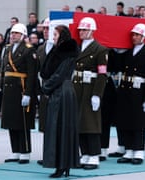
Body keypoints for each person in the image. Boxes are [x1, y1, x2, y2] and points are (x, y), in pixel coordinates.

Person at [115, 23, 145, 165]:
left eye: (137, 35)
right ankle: (128, 150)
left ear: (144, 36)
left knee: (138, 122)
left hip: (140, 91)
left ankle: (138, 151)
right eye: (133, 35)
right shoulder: (128, 52)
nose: (134, 37)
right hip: (126, 89)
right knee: (126, 120)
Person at [40, 24, 79, 178]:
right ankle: (63, 164)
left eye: (55, 34)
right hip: (62, 90)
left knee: (59, 128)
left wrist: (45, 88)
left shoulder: (67, 53)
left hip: (61, 91)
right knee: (61, 128)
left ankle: (62, 165)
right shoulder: (60, 52)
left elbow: (59, 75)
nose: (53, 37)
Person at [73, 17, 108, 170]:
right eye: (80, 30)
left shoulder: (100, 49)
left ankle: (94, 155)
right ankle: (85, 153)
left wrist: (97, 95)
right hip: (77, 88)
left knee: (91, 123)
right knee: (79, 123)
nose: (82, 32)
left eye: (85, 30)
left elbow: (102, 74)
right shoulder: (77, 48)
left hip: (90, 88)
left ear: (92, 31)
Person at [0, 23, 37, 164]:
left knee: (22, 122)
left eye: (16, 33)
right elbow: (3, 69)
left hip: (21, 88)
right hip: (9, 89)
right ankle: (15, 150)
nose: (13, 35)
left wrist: (28, 93)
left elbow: (32, 74)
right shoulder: (8, 49)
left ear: (22, 35)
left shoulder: (29, 50)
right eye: (12, 33)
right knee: (10, 121)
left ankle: (25, 151)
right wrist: (0, 86)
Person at [36, 17, 53, 165]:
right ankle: (47, 155)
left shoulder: (60, 48)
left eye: (48, 28)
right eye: (45, 29)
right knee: (46, 124)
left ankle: (57, 155)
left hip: (57, 89)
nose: (46, 31)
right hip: (44, 89)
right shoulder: (41, 49)